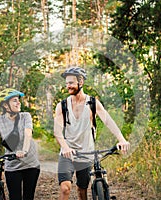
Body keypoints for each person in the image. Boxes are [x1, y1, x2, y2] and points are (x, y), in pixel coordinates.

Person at [54, 67, 131, 200]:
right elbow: (57, 131)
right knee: (65, 188)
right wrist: (65, 148)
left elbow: (108, 121)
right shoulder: (62, 106)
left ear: (81, 82)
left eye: (71, 83)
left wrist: (121, 139)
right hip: (68, 154)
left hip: (86, 153)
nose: (68, 86)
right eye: (66, 83)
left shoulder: (92, 103)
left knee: (82, 190)